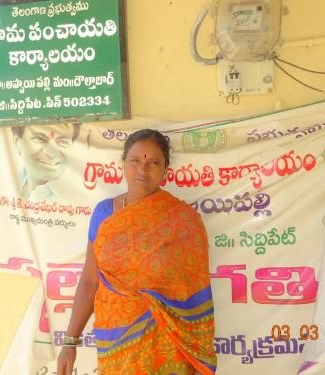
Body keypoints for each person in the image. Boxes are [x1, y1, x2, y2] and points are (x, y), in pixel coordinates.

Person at [56, 129, 217, 374]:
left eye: (153, 162)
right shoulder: (104, 214)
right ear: (123, 165)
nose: (143, 170)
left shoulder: (183, 220)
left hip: (167, 342)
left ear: (165, 170)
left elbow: (195, 293)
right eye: (135, 161)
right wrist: (69, 343)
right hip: (116, 339)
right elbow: (90, 281)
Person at [12, 123, 80, 200]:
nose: (51, 153)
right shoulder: (8, 182)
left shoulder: (70, 199)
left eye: (63, 142)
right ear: (16, 142)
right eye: (39, 139)